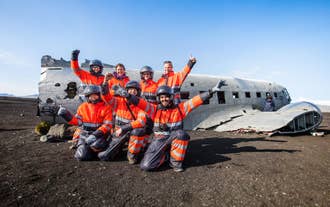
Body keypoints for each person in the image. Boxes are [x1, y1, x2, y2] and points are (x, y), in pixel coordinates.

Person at [114, 80, 225, 172]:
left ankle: (175, 162)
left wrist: (211, 91)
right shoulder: (154, 109)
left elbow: (195, 101)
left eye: (166, 97)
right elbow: (140, 102)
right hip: (159, 140)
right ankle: (166, 156)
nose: (164, 99)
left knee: (182, 135)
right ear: (158, 99)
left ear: (171, 97)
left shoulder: (180, 109)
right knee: (146, 166)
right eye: (161, 97)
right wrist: (127, 95)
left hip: (174, 138)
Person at [57, 85, 113, 161]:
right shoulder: (82, 107)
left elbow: (107, 125)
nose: (93, 97)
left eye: (95, 95)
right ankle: (85, 147)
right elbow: (77, 122)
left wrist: (95, 135)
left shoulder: (106, 107)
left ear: (99, 95)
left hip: (100, 135)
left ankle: (92, 149)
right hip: (85, 135)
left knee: (98, 145)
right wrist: (66, 115)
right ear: (87, 97)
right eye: (90, 96)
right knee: (81, 157)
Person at [99, 80, 148, 164]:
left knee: (139, 131)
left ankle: (132, 155)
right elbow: (106, 97)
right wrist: (104, 85)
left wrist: (124, 128)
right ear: (126, 91)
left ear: (138, 92)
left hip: (130, 133)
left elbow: (141, 122)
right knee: (107, 156)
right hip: (118, 133)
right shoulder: (118, 101)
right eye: (130, 90)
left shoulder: (141, 105)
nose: (132, 92)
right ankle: (119, 148)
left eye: (134, 90)